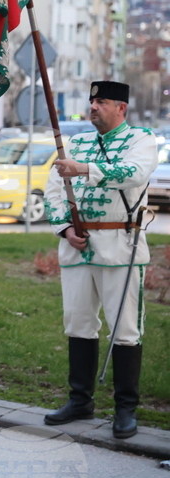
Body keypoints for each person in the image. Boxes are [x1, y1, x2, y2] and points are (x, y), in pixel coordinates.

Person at [43, 81, 157, 439]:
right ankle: (80, 400)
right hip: (77, 247)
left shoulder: (141, 140)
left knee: (125, 330)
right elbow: (52, 190)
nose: (93, 106)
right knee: (78, 323)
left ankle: (125, 409)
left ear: (121, 108)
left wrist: (84, 170)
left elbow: (134, 173)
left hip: (119, 247)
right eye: (92, 100)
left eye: (102, 101)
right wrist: (64, 228)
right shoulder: (76, 143)